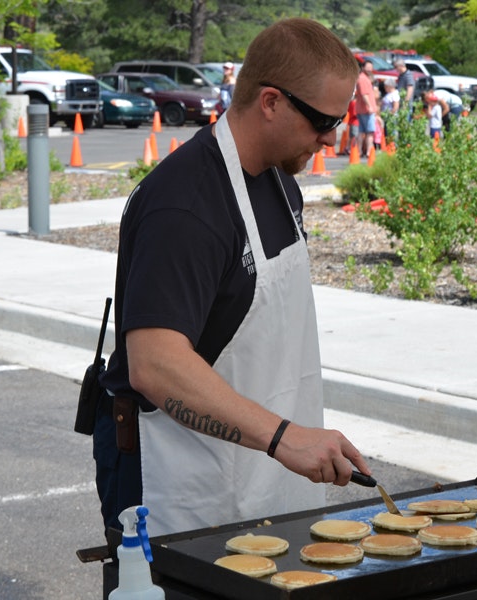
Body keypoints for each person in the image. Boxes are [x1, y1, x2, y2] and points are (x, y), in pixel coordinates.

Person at [93, 17, 371, 539]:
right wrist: (284, 437)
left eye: (339, 121)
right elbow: (155, 365)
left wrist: (288, 439)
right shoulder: (184, 206)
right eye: (320, 122)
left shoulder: (278, 182)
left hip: (263, 463)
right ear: (270, 101)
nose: (331, 139)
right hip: (177, 474)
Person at [354, 60, 377, 157]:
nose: (370, 69)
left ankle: (359, 151)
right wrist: (370, 106)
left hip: (362, 109)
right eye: (368, 67)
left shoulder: (363, 78)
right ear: (363, 68)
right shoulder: (363, 79)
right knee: (369, 132)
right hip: (366, 110)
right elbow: (364, 94)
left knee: (362, 131)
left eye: (371, 67)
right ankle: (368, 152)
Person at [380, 77, 400, 141]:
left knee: (391, 133)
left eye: (386, 86)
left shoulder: (394, 94)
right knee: (387, 133)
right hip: (387, 117)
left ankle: (393, 146)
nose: (384, 88)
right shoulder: (389, 94)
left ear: (390, 86)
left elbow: (396, 106)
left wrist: (390, 114)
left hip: (391, 117)